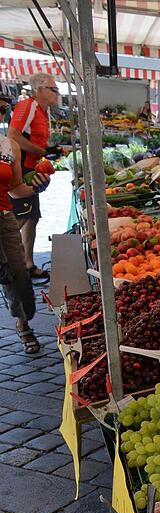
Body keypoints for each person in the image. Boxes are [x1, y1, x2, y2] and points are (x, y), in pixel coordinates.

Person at [0, 95, 49, 353]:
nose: (0, 114)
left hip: (4, 217)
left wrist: (37, 187)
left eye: (2, 109)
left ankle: (23, 323)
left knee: (18, 276)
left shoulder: (9, 146)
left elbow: (16, 188)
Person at [6, 72, 59, 284]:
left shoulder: (42, 111)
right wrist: (41, 151)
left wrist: (48, 150)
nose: (57, 93)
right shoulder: (27, 106)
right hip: (20, 170)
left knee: (32, 216)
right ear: (39, 90)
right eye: (53, 89)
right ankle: (10, 265)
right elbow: (13, 135)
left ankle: (27, 263)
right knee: (20, 217)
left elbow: (32, 138)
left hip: (31, 168)